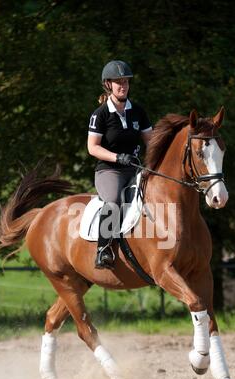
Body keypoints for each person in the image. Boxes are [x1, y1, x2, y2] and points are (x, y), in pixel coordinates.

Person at [87, 60, 152, 270]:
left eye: (125, 81)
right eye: (118, 82)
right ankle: (103, 250)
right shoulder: (100, 114)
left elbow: (151, 142)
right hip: (109, 170)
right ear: (108, 85)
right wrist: (117, 157)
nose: (123, 85)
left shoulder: (138, 112)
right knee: (114, 201)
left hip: (134, 169)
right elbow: (93, 148)